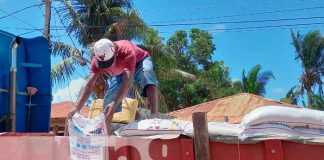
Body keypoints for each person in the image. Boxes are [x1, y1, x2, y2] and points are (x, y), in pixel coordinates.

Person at [68, 38, 159, 127]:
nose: (106, 67)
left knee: (147, 74)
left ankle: (154, 116)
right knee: (108, 103)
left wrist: (115, 105)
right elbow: (89, 85)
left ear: (115, 52)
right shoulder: (96, 60)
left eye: (108, 62)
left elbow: (127, 82)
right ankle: (107, 131)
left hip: (140, 62)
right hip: (120, 73)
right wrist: (77, 108)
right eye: (103, 65)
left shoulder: (126, 51)